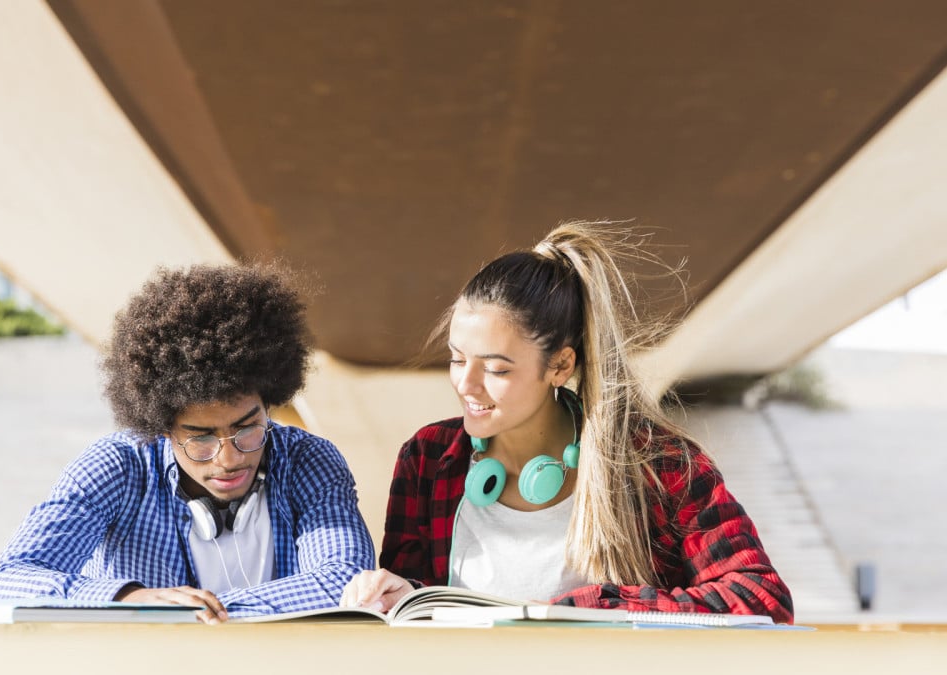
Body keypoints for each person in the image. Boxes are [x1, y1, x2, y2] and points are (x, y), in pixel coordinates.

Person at [340, 221, 793, 623]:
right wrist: (402, 595)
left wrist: (592, 609)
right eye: (457, 359)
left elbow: (763, 599)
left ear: (559, 366)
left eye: (497, 369)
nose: (466, 385)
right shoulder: (428, 458)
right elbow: (417, 615)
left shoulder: (658, 463)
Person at [0, 264, 374, 623]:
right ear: (161, 427)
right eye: (200, 438)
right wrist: (129, 598)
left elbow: (345, 580)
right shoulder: (117, 466)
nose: (229, 458)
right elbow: (3, 584)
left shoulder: (309, 460)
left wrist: (200, 615)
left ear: (269, 402)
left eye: (247, 428)